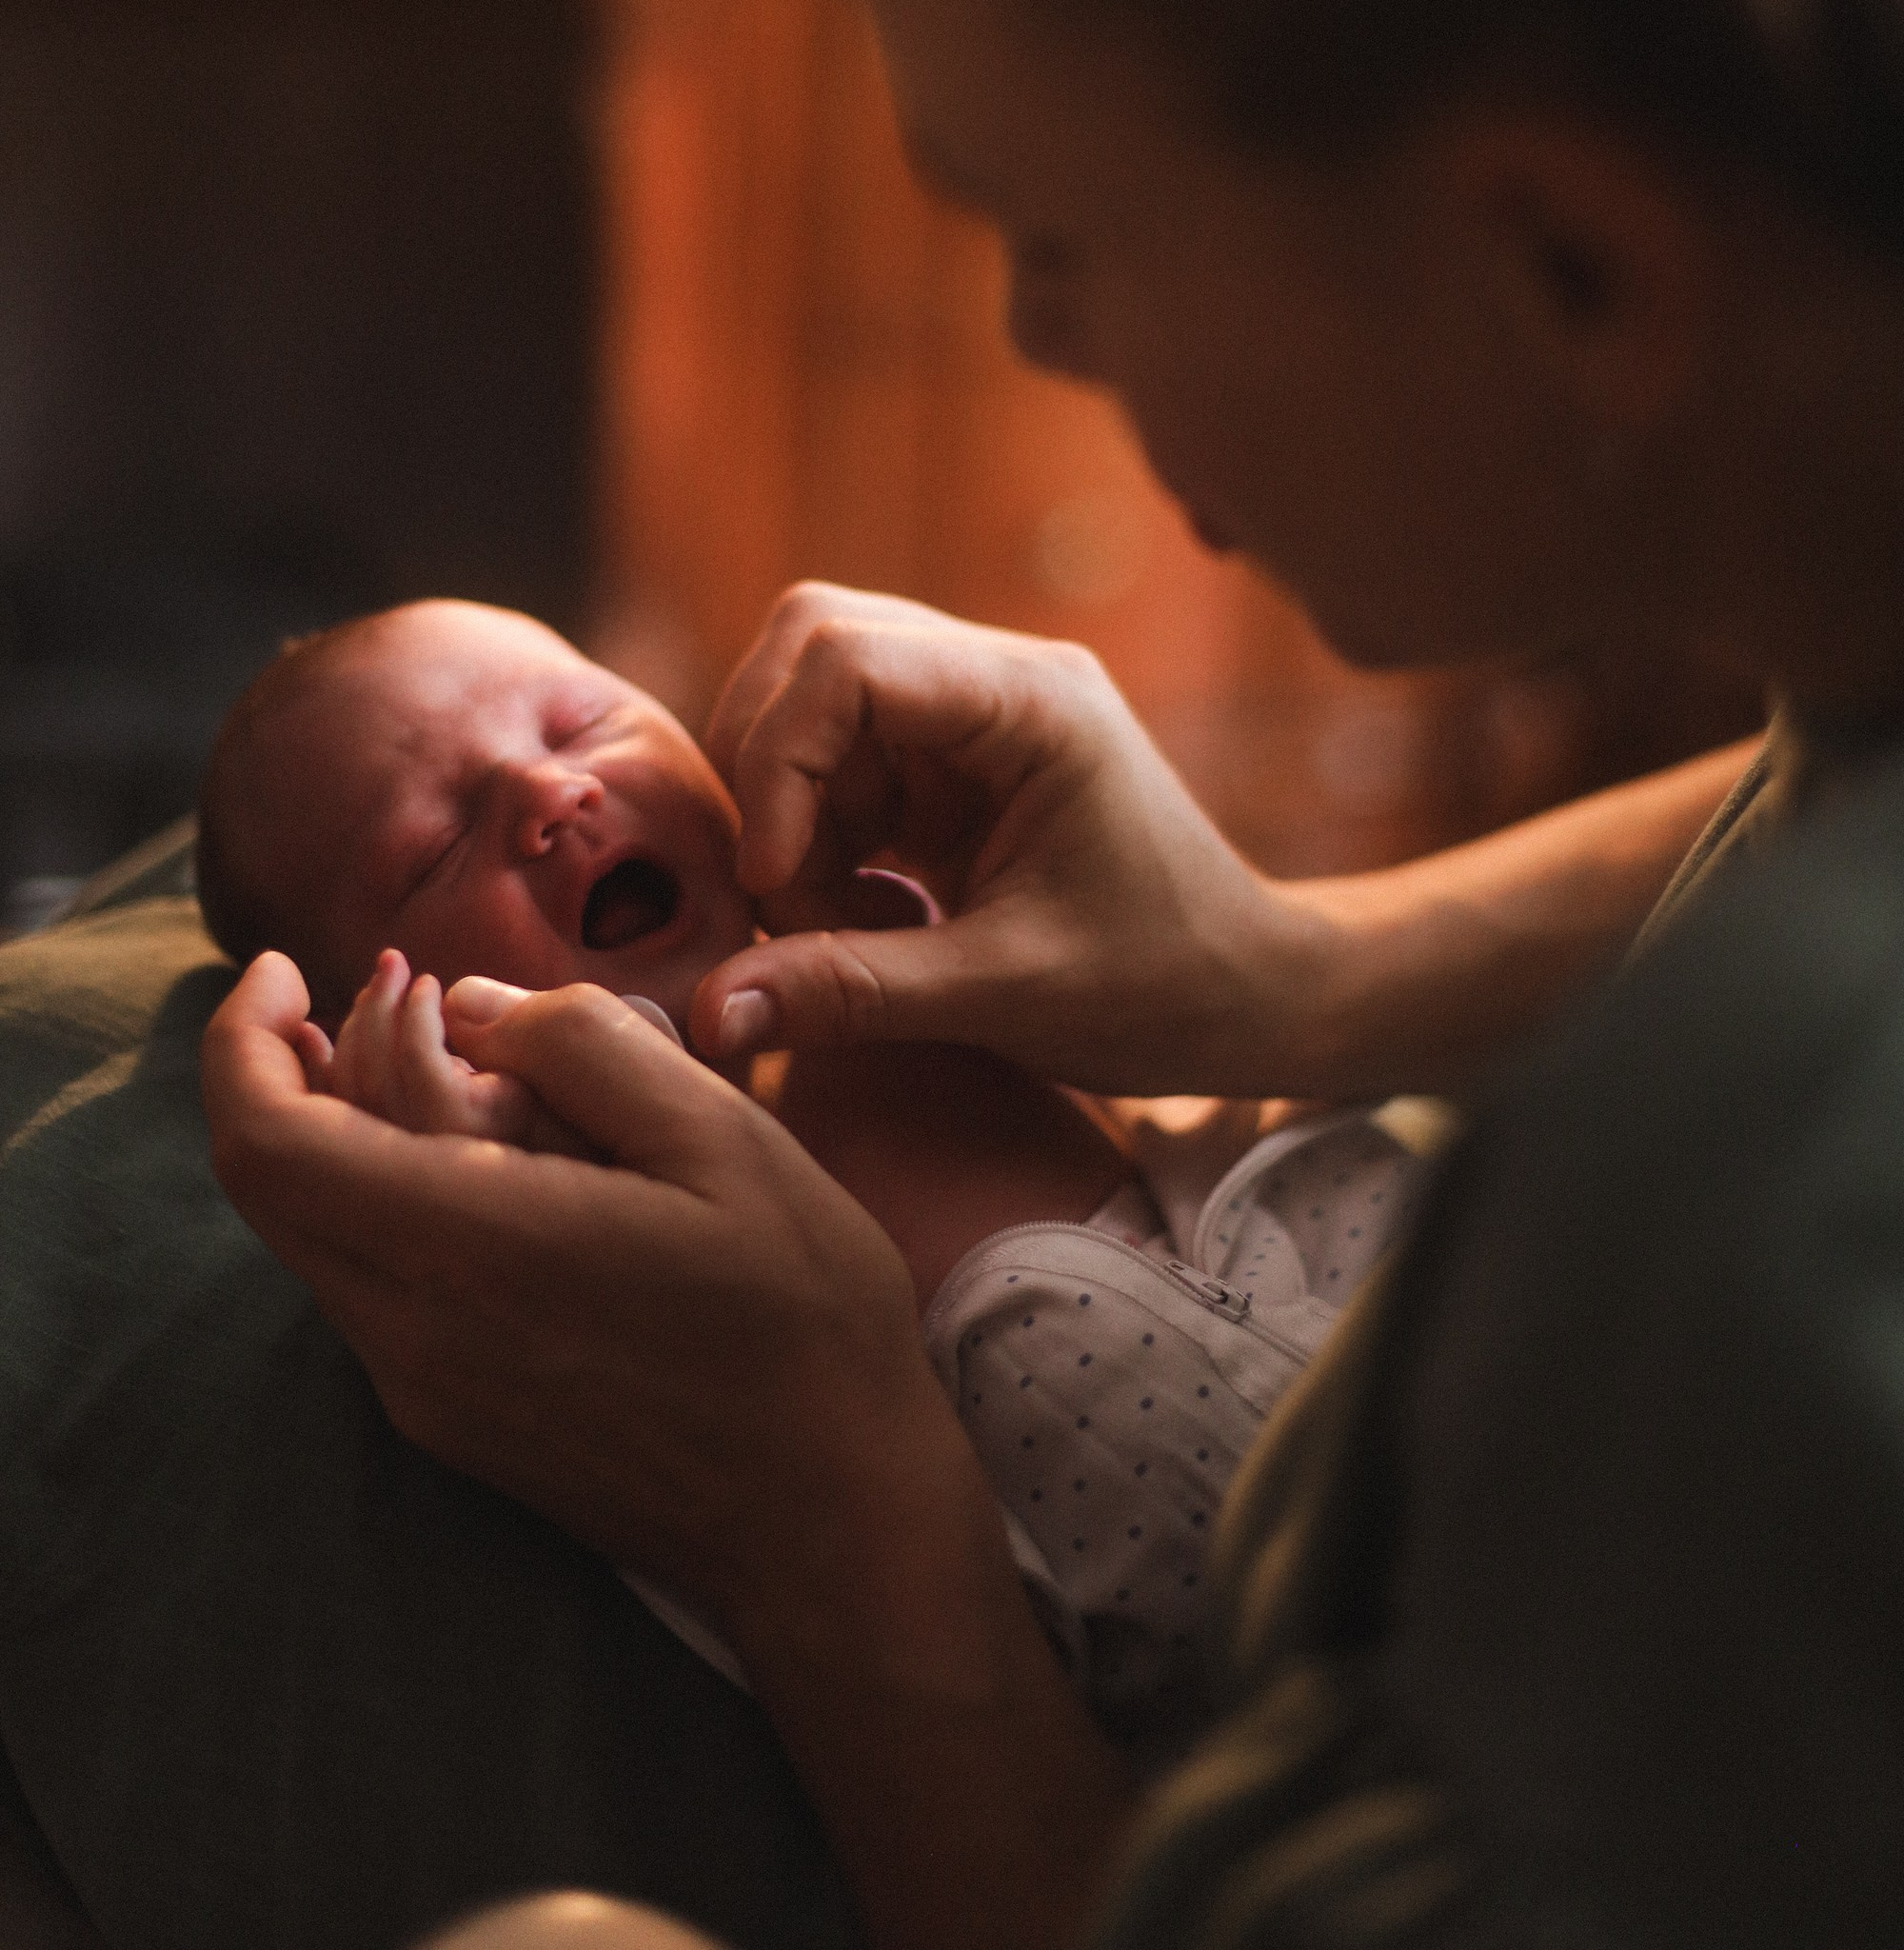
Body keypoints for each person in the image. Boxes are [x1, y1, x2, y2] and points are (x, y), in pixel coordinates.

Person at [199, 0, 1904, 1947]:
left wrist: (831, 1519)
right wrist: (1297, 961)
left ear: (1566, 261)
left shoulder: (1745, 1255)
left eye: (1070, 236)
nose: (1034, 348)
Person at [196, 595, 1423, 1755]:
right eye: (433, 850)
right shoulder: (593, 1266)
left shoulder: (908, 927)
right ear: (392, 1039)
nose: (548, 790)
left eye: (584, 719)